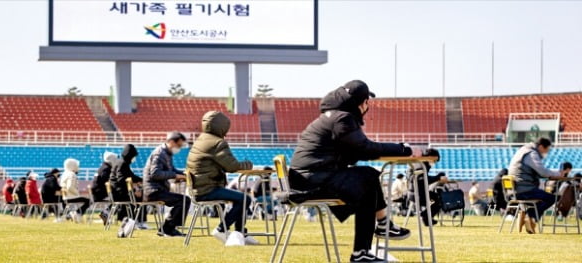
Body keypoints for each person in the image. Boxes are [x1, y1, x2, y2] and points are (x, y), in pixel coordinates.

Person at [288, 80, 420, 262]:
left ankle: (370, 242)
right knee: (367, 177)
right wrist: (404, 149)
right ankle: (378, 231)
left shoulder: (332, 116)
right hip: (311, 180)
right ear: (361, 102)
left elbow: (352, 152)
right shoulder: (342, 119)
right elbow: (365, 148)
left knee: (366, 180)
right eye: (367, 102)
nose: (368, 107)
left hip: (307, 178)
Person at [187, 111, 258, 245]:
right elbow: (231, 167)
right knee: (245, 199)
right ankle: (222, 229)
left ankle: (241, 233)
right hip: (208, 189)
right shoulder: (217, 143)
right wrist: (248, 164)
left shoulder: (200, 140)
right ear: (222, 127)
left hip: (199, 189)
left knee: (241, 199)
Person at [508, 137, 566, 234]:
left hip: (516, 189)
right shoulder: (531, 154)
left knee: (543, 199)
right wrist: (558, 174)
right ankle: (531, 217)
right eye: (546, 150)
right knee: (552, 198)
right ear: (541, 147)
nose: (546, 153)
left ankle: (530, 218)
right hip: (524, 190)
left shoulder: (523, 150)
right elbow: (542, 172)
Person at [143, 131, 191, 237]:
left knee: (183, 200)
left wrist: (185, 174)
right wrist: (175, 176)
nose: (179, 148)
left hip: (159, 190)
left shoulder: (166, 154)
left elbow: (172, 170)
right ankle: (168, 229)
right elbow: (155, 173)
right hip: (154, 191)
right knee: (184, 200)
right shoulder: (159, 154)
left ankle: (167, 228)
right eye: (179, 145)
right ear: (172, 142)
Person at [109, 144, 147, 228]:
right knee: (143, 197)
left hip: (116, 192)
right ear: (130, 155)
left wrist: (141, 180)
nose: (134, 158)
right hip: (120, 193)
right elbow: (122, 180)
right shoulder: (123, 163)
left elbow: (131, 176)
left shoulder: (121, 162)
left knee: (141, 195)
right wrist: (134, 190)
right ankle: (140, 222)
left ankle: (136, 220)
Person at [406, 152, 448, 226]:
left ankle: (426, 217)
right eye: (434, 160)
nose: (434, 163)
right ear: (430, 157)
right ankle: (425, 216)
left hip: (415, 193)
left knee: (435, 198)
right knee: (438, 200)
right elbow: (422, 179)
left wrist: (437, 177)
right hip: (418, 195)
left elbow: (422, 178)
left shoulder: (420, 163)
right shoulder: (421, 165)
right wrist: (438, 177)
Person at [60, 158, 90, 222]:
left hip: (65, 197)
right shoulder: (72, 174)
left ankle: (73, 214)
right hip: (72, 197)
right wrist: (77, 193)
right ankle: (78, 213)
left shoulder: (64, 174)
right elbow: (70, 187)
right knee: (89, 201)